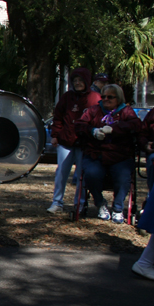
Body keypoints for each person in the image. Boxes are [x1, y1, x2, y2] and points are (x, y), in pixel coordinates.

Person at [75, 83, 142, 224]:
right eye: (103, 96)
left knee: (123, 177)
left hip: (120, 155)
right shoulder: (93, 110)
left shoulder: (127, 111)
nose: (106, 99)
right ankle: (100, 203)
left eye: (110, 97)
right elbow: (80, 125)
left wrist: (114, 129)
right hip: (96, 153)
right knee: (91, 174)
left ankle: (118, 208)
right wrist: (93, 131)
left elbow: (136, 125)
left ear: (118, 98)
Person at [46, 67, 101, 214]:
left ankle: (80, 204)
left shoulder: (95, 98)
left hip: (85, 142)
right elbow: (58, 117)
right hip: (66, 141)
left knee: (82, 175)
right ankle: (57, 202)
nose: (77, 83)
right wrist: (55, 135)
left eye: (80, 80)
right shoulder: (66, 97)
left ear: (87, 81)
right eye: (75, 80)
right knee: (61, 172)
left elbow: (99, 119)